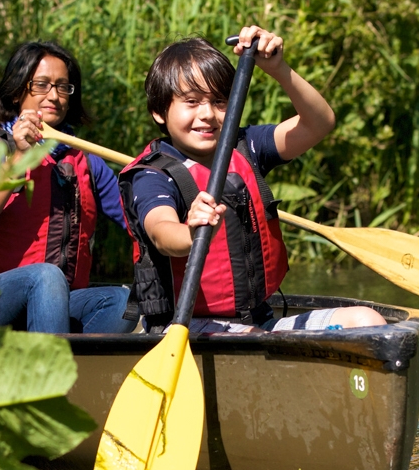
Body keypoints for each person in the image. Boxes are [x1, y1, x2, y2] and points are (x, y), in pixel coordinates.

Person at [119, 26, 387, 334]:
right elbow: (161, 233)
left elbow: (319, 123)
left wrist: (279, 69)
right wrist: (191, 233)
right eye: (192, 102)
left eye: (220, 102)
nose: (208, 114)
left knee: (368, 320)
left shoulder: (247, 147)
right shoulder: (153, 174)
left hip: (259, 322)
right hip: (184, 328)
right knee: (258, 343)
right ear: (158, 111)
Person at [0, 41, 137, 334]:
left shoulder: (87, 162)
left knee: (123, 300)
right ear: (17, 89)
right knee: (46, 278)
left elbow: (140, 221)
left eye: (63, 87)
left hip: (51, 302)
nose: (54, 96)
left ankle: (73, 368)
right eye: (42, 85)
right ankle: (50, 375)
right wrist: (20, 158)